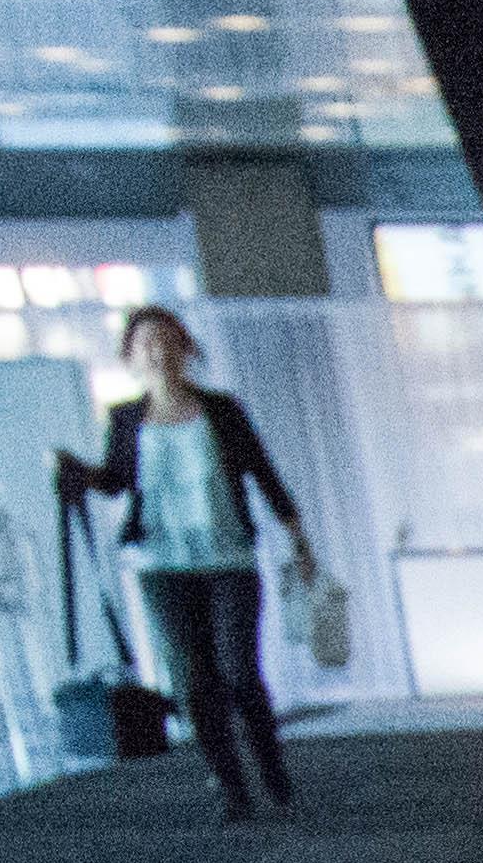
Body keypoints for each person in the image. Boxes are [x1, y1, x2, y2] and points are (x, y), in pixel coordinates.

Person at [59, 307, 312, 820]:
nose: (158, 351)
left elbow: (262, 471)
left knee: (239, 669)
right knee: (195, 681)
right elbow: (117, 481)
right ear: (131, 358)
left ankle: (270, 766)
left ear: (185, 348)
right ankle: (232, 786)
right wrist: (77, 472)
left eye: (167, 340)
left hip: (228, 557)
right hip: (163, 564)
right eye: (145, 344)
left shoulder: (221, 410)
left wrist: (297, 537)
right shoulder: (125, 419)